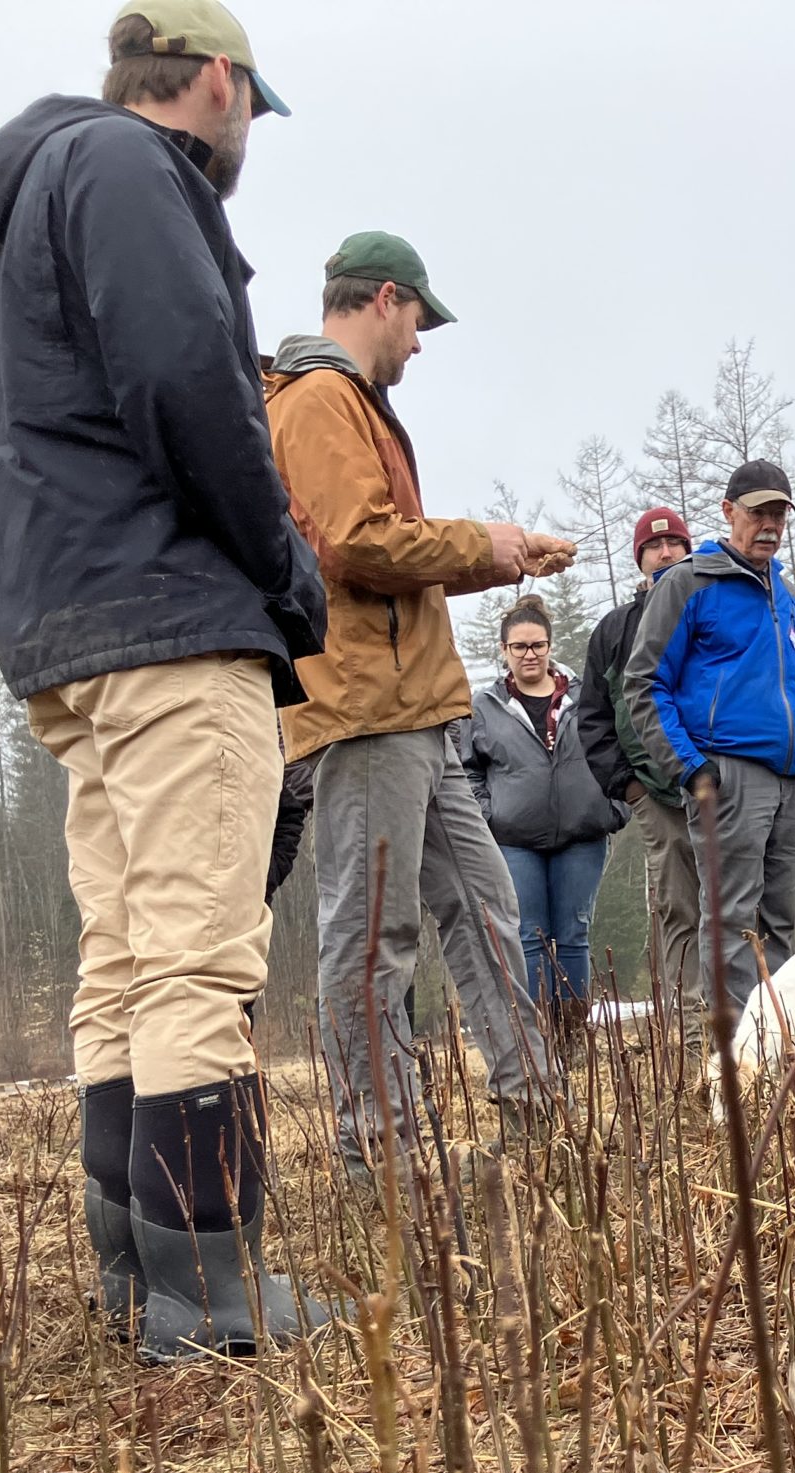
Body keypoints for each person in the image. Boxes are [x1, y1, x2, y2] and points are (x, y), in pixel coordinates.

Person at [0, 2, 323, 1361]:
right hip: (167, 622)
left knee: (123, 959)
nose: (247, 137)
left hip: (77, 629)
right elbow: (191, 391)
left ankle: (140, 1276)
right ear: (218, 81)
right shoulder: (129, 170)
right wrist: (285, 578)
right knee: (198, 962)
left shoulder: (49, 183)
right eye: (251, 108)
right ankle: (210, 1289)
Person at [264, 230, 577, 1176]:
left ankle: (534, 1115)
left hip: (419, 711)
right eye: (420, 320)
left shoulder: (351, 403)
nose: (422, 342)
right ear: (386, 300)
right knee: (371, 936)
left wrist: (498, 558)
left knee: (484, 911)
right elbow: (358, 544)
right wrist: (489, 545)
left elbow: (385, 551)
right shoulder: (319, 401)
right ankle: (382, 1160)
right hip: (363, 712)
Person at [625, 461, 795, 1017]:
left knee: (780, 922)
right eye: (757, 512)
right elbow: (644, 682)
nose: (769, 525)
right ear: (727, 512)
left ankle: (779, 1043)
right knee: (731, 918)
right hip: (728, 774)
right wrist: (690, 768)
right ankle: (740, 1056)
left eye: (778, 515)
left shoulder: (792, 601)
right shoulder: (689, 583)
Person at [465, 597, 625, 1027]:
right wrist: (489, 815)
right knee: (528, 937)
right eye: (519, 646)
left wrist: (615, 805)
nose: (529, 654)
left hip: (583, 834)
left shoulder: (585, 695)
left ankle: (573, 1036)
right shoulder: (485, 706)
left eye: (537, 645)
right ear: (504, 650)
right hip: (515, 841)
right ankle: (539, 1036)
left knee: (573, 935)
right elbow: (467, 770)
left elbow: (617, 745)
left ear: (550, 645)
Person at [578, 509, 701, 1015]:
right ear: (640, 559)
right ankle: (692, 1033)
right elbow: (593, 719)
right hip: (657, 795)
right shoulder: (614, 630)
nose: (666, 553)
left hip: (728, 788)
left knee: (740, 905)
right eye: (654, 547)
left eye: (675, 542)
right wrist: (632, 790)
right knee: (678, 908)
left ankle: (748, 1026)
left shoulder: (714, 611)